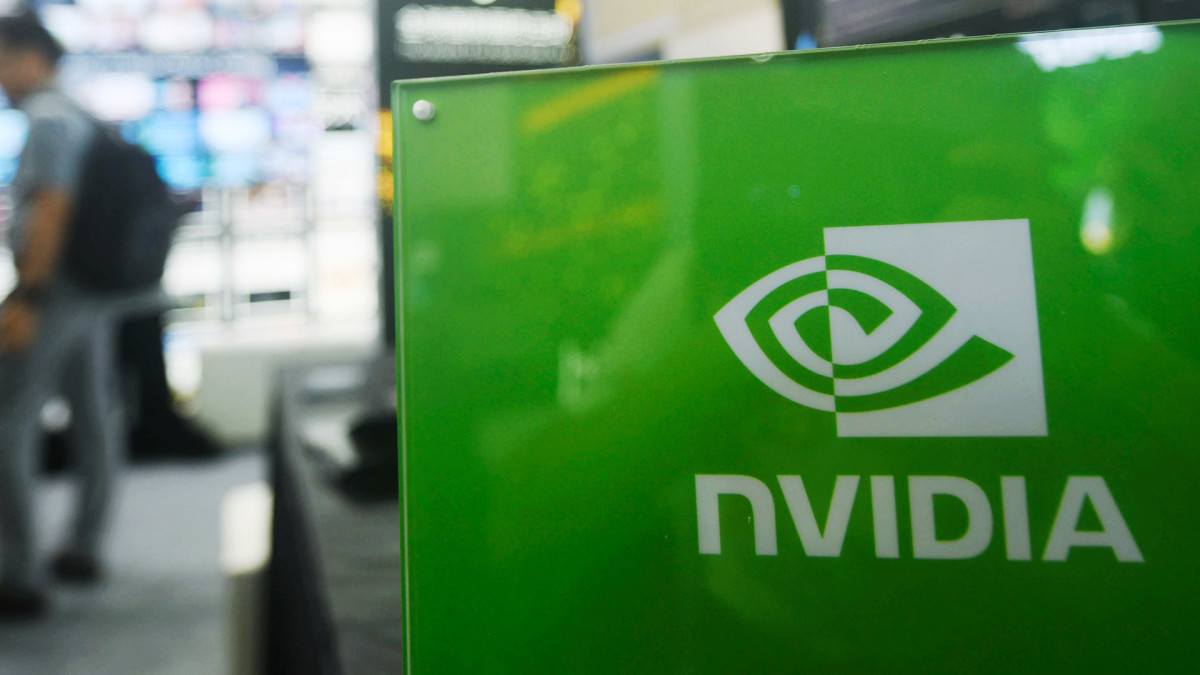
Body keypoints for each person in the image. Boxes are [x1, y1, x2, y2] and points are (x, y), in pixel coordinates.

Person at [0, 14, 123, 619]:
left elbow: (51, 208)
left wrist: (28, 297)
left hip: (56, 292)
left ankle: (18, 573)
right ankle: (84, 546)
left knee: (8, 419)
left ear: (27, 56)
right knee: (94, 415)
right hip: (91, 290)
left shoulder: (48, 119)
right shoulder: (80, 114)